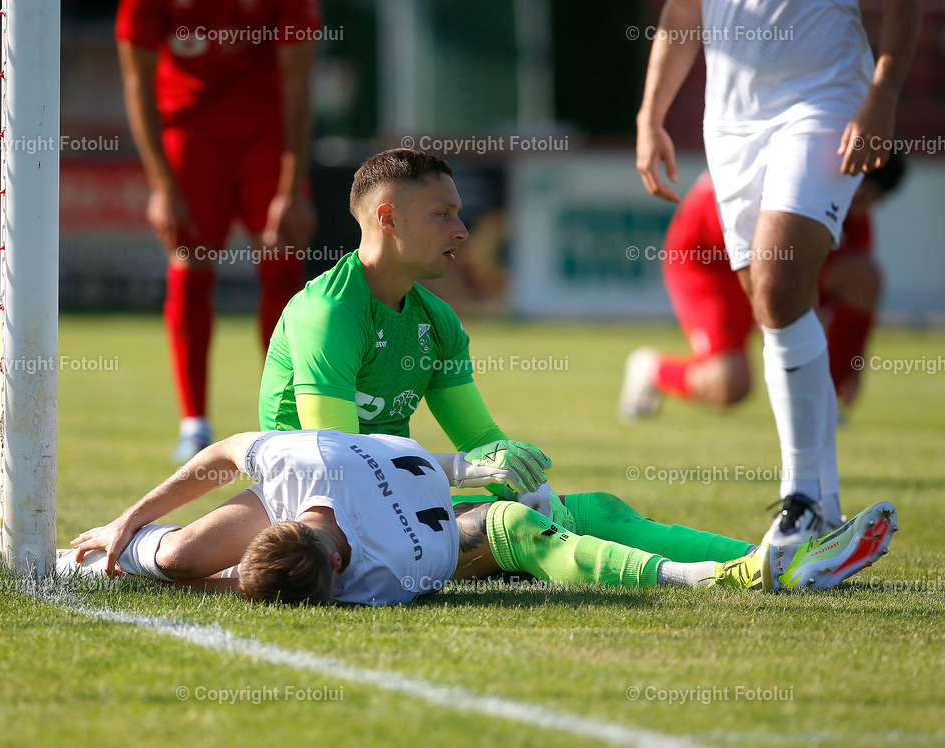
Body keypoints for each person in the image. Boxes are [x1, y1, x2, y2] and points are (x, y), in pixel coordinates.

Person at [635, 0, 920, 545]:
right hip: (731, 122)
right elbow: (681, 13)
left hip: (825, 99)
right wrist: (651, 116)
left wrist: (882, 95)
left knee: (778, 283)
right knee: (777, 307)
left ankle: (804, 499)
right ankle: (828, 508)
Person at [63, 429, 897, 605]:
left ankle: (753, 563)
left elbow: (220, 465)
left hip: (441, 504)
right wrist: (473, 473)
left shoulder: (388, 572)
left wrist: (127, 529)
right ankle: (749, 564)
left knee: (172, 564)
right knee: (553, 520)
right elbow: (225, 452)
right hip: (432, 485)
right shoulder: (303, 462)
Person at [257, 148, 553, 509]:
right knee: (518, 527)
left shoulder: (439, 321)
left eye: (457, 215)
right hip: (313, 513)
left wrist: (532, 492)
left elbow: (481, 440)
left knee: (588, 510)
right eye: (442, 215)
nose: (461, 232)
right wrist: (458, 469)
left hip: (394, 504)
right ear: (389, 219)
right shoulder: (328, 312)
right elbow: (339, 462)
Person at [116, 0, 322, 462]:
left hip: (267, 135)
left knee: (281, 264)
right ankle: (194, 425)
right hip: (190, 134)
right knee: (189, 265)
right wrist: (161, 185)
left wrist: (291, 187)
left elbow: (298, 80)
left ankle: (285, 420)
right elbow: (137, 82)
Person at [619, 157, 906, 420]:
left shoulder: (850, 204)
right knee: (728, 383)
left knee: (863, 277)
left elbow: (856, 277)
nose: (856, 204)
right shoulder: (790, 171)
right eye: (858, 194)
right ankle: (652, 370)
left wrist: (851, 359)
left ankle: (821, 403)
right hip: (711, 265)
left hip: (777, 264)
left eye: (867, 200)